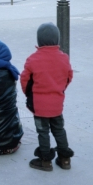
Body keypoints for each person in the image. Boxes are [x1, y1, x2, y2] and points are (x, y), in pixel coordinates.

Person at [21, 23, 74, 171]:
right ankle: (65, 159)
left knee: (42, 131)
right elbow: (68, 77)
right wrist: (59, 90)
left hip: (39, 105)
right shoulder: (64, 58)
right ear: (57, 39)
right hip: (57, 103)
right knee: (59, 129)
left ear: (39, 40)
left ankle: (45, 160)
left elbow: (25, 80)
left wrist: (29, 95)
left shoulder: (32, 59)